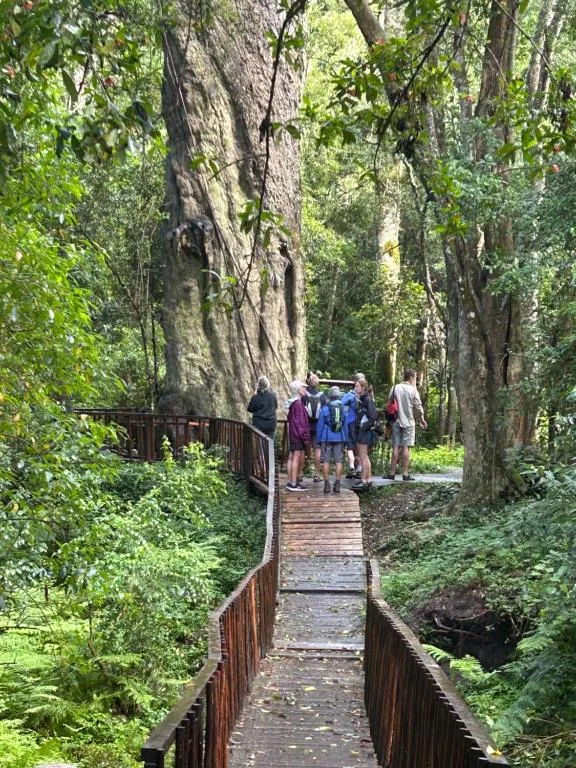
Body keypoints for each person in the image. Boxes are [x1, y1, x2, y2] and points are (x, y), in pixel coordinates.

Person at [387, 368, 427, 481]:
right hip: (409, 422)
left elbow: (390, 402)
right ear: (411, 378)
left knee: (395, 446)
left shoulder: (395, 388)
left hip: (396, 421)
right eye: (415, 378)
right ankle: (405, 473)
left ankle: (392, 473)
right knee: (405, 448)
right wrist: (421, 419)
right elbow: (418, 407)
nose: (416, 380)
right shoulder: (413, 390)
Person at [315, 386, 348, 494]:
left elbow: (320, 425)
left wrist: (318, 439)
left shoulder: (325, 409)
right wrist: (346, 439)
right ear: (339, 396)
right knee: (339, 461)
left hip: (326, 437)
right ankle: (337, 484)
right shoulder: (343, 408)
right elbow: (345, 425)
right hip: (339, 437)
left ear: (330, 396)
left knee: (326, 461)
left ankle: (327, 485)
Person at [352, 378, 378, 490]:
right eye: (355, 386)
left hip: (365, 432)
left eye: (357, 386)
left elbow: (373, 417)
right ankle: (368, 479)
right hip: (362, 430)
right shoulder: (362, 399)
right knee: (364, 456)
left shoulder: (367, 399)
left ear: (363, 388)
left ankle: (364, 480)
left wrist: (363, 427)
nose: (355, 388)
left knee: (363, 456)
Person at [285, 379, 311, 492]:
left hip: (293, 434)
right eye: (303, 387)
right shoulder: (299, 404)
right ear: (298, 390)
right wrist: (305, 438)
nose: (305, 389)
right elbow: (300, 423)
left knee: (291, 457)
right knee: (296, 458)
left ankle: (291, 481)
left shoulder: (293, 403)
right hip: (298, 436)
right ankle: (293, 483)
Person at [341, 373, 365, 478]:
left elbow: (341, 403)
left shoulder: (349, 395)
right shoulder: (367, 396)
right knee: (359, 445)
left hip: (350, 422)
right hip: (362, 424)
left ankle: (351, 467)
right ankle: (359, 468)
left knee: (350, 446)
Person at [304, 373, 324, 482]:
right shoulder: (322, 396)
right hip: (318, 427)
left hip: (306, 426)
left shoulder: (304, 395)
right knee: (317, 449)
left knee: (303, 448)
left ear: (308, 382)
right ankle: (316, 474)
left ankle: (300, 474)